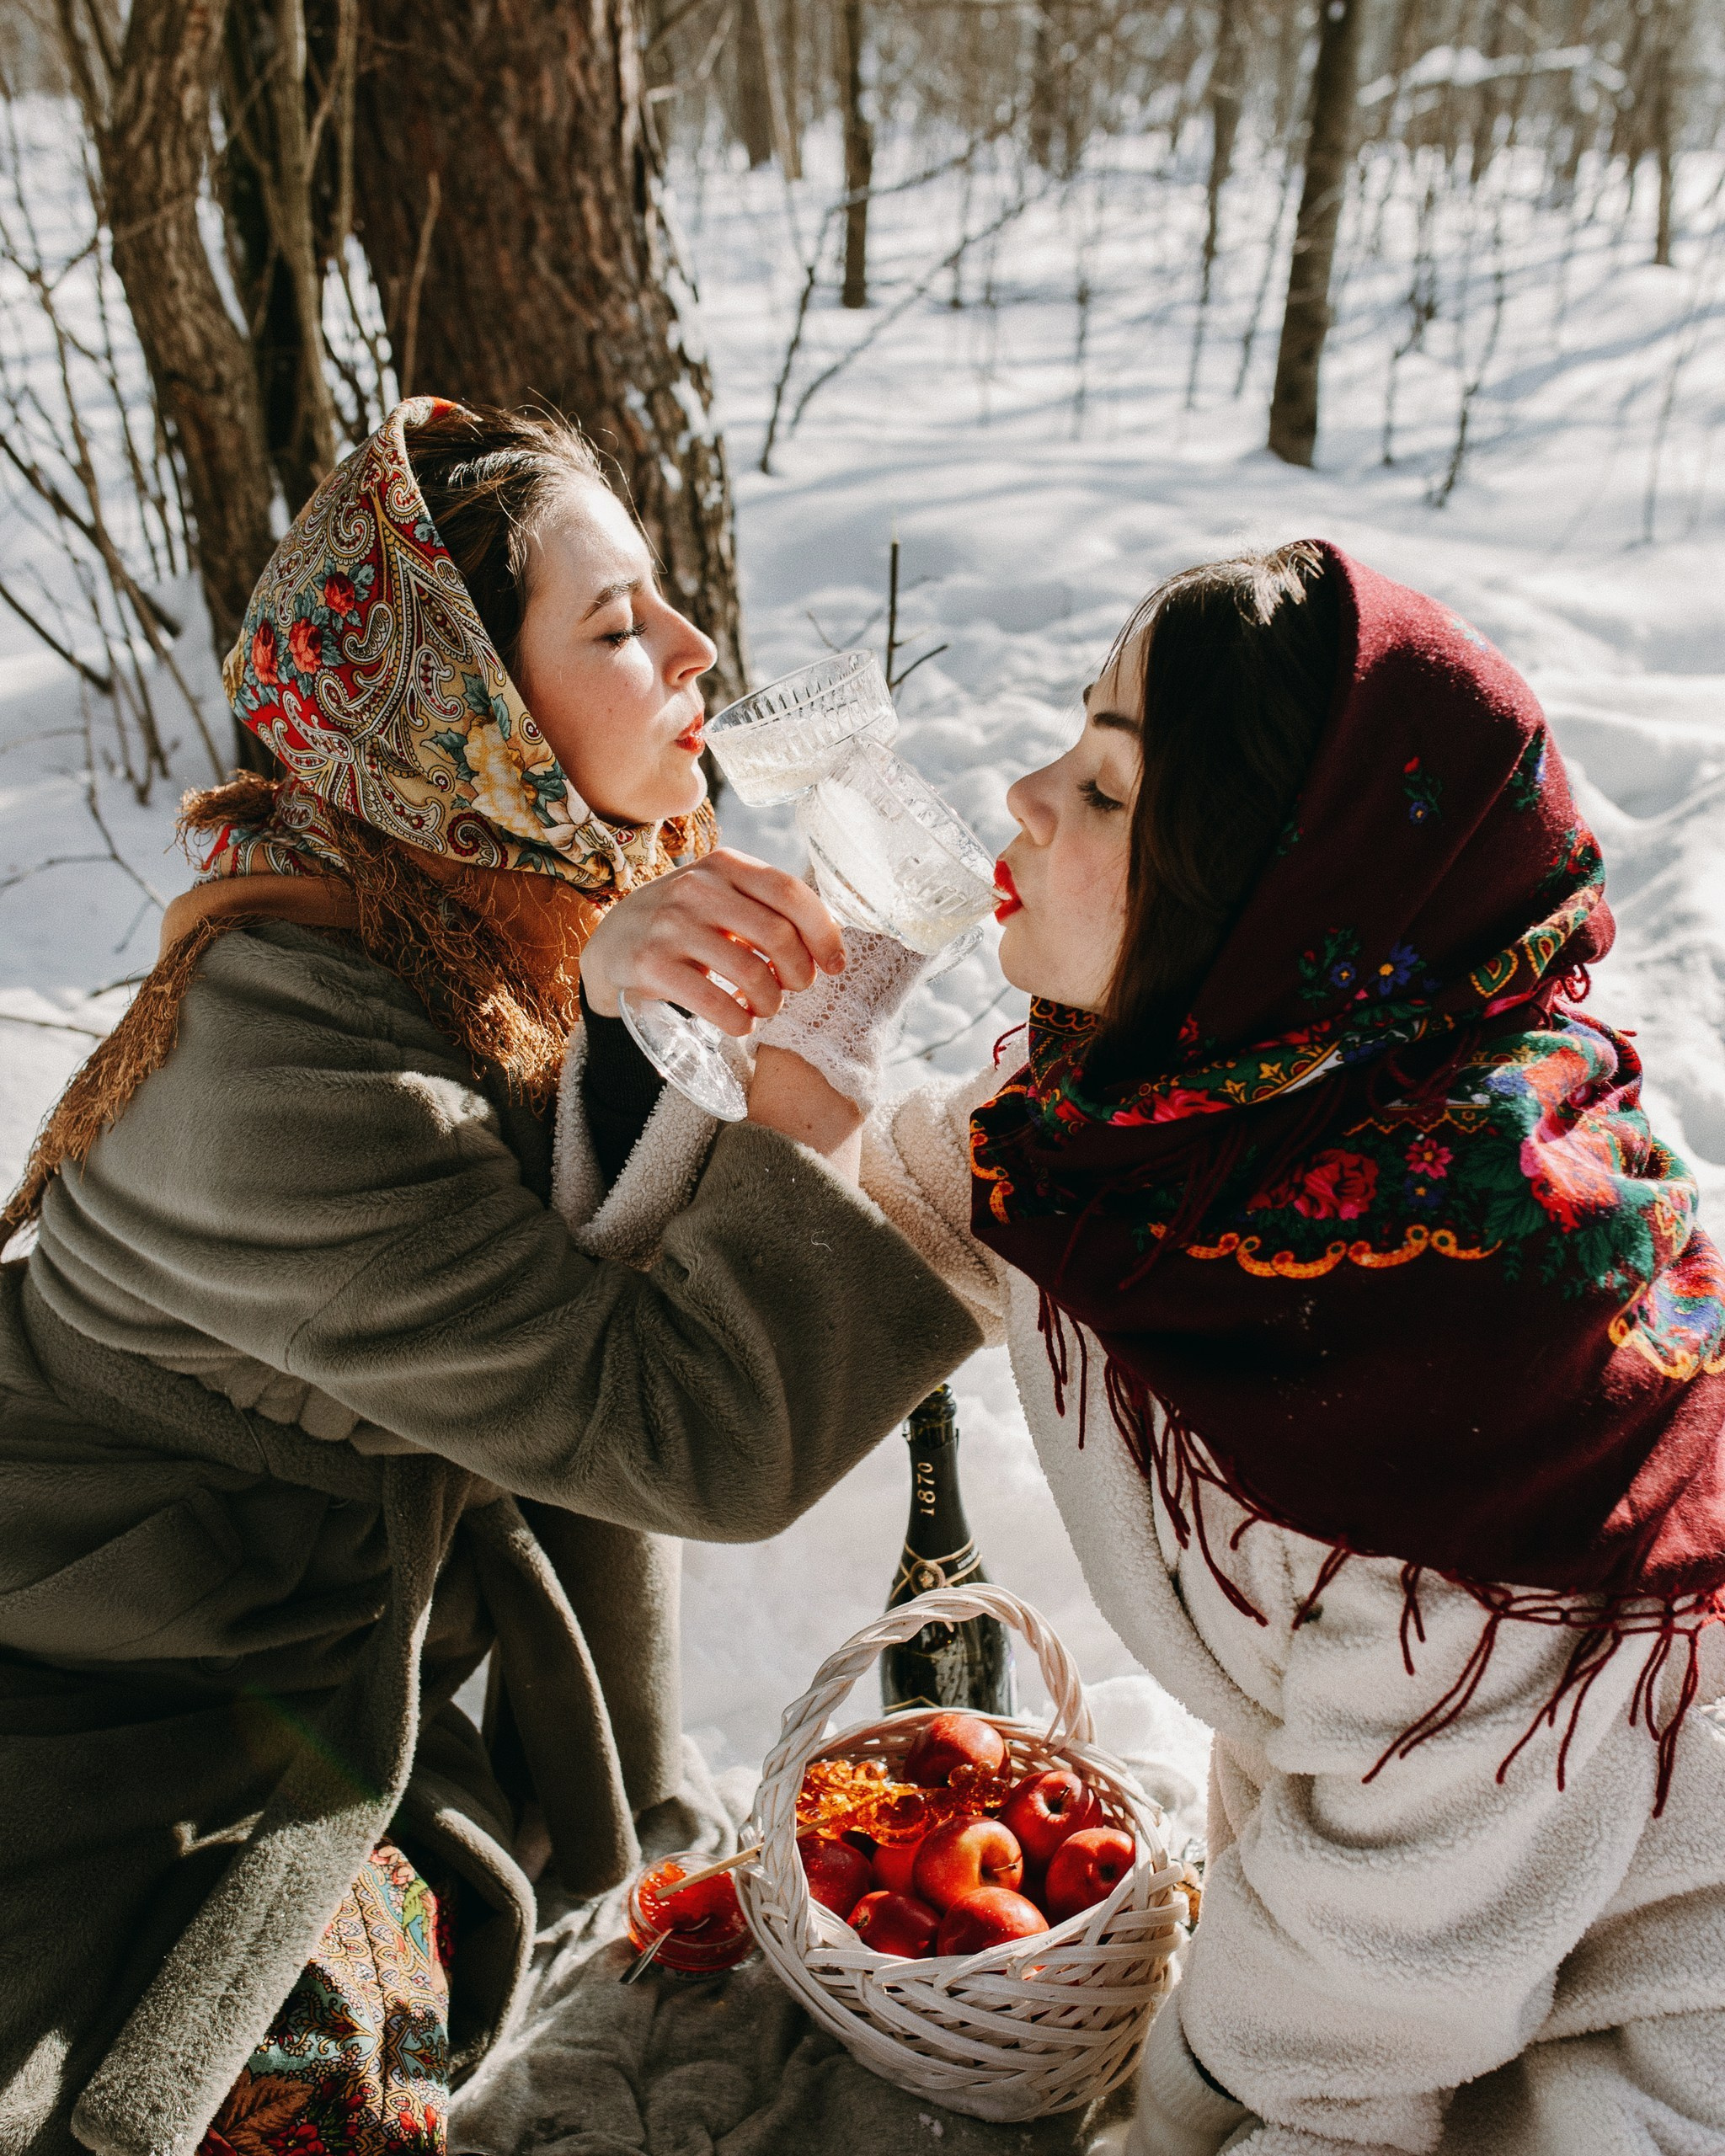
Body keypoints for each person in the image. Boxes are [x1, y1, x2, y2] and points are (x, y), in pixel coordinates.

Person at [576, 540, 1725, 2154]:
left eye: (1108, 791)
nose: (1027, 797)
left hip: (1638, 2024)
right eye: (1075, 746)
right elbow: (788, 1331)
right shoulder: (1138, 1137)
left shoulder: (1484, 1365)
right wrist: (668, 1013)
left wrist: (1165, 2117)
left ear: (1277, 896)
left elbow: (1386, 1958)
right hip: (1374, 1946)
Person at [0, 398, 980, 2156]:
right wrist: (812, 1112)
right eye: (612, 626)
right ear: (470, 719)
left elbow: (587, 1354)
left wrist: (641, 1826)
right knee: (293, 2078)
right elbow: (674, 1424)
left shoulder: (506, 918)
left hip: (304, 1622)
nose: (691, 647)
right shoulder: (284, 1081)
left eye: (662, 600)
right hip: (101, 1671)